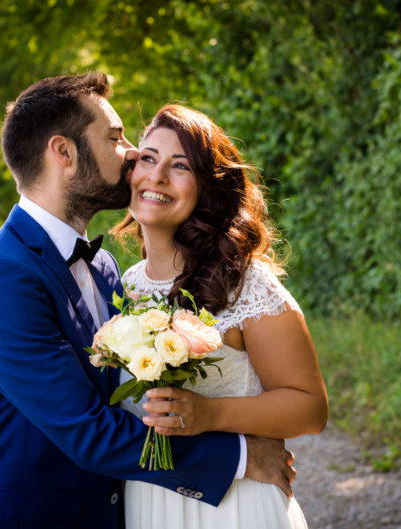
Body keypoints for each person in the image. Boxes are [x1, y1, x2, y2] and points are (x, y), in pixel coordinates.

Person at [0, 73, 295, 529]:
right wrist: (241, 456)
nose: (131, 151)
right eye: (114, 137)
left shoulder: (105, 268)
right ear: (64, 153)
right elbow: (88, 432)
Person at [112, 104, 329, 528]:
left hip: (234, 508)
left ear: (207, 189)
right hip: (149, 504)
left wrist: (211, 415)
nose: (156, 176)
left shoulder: (246, 283)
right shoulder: (127, 285)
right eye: (149, 159)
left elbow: (310, 408)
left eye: (180, 166)